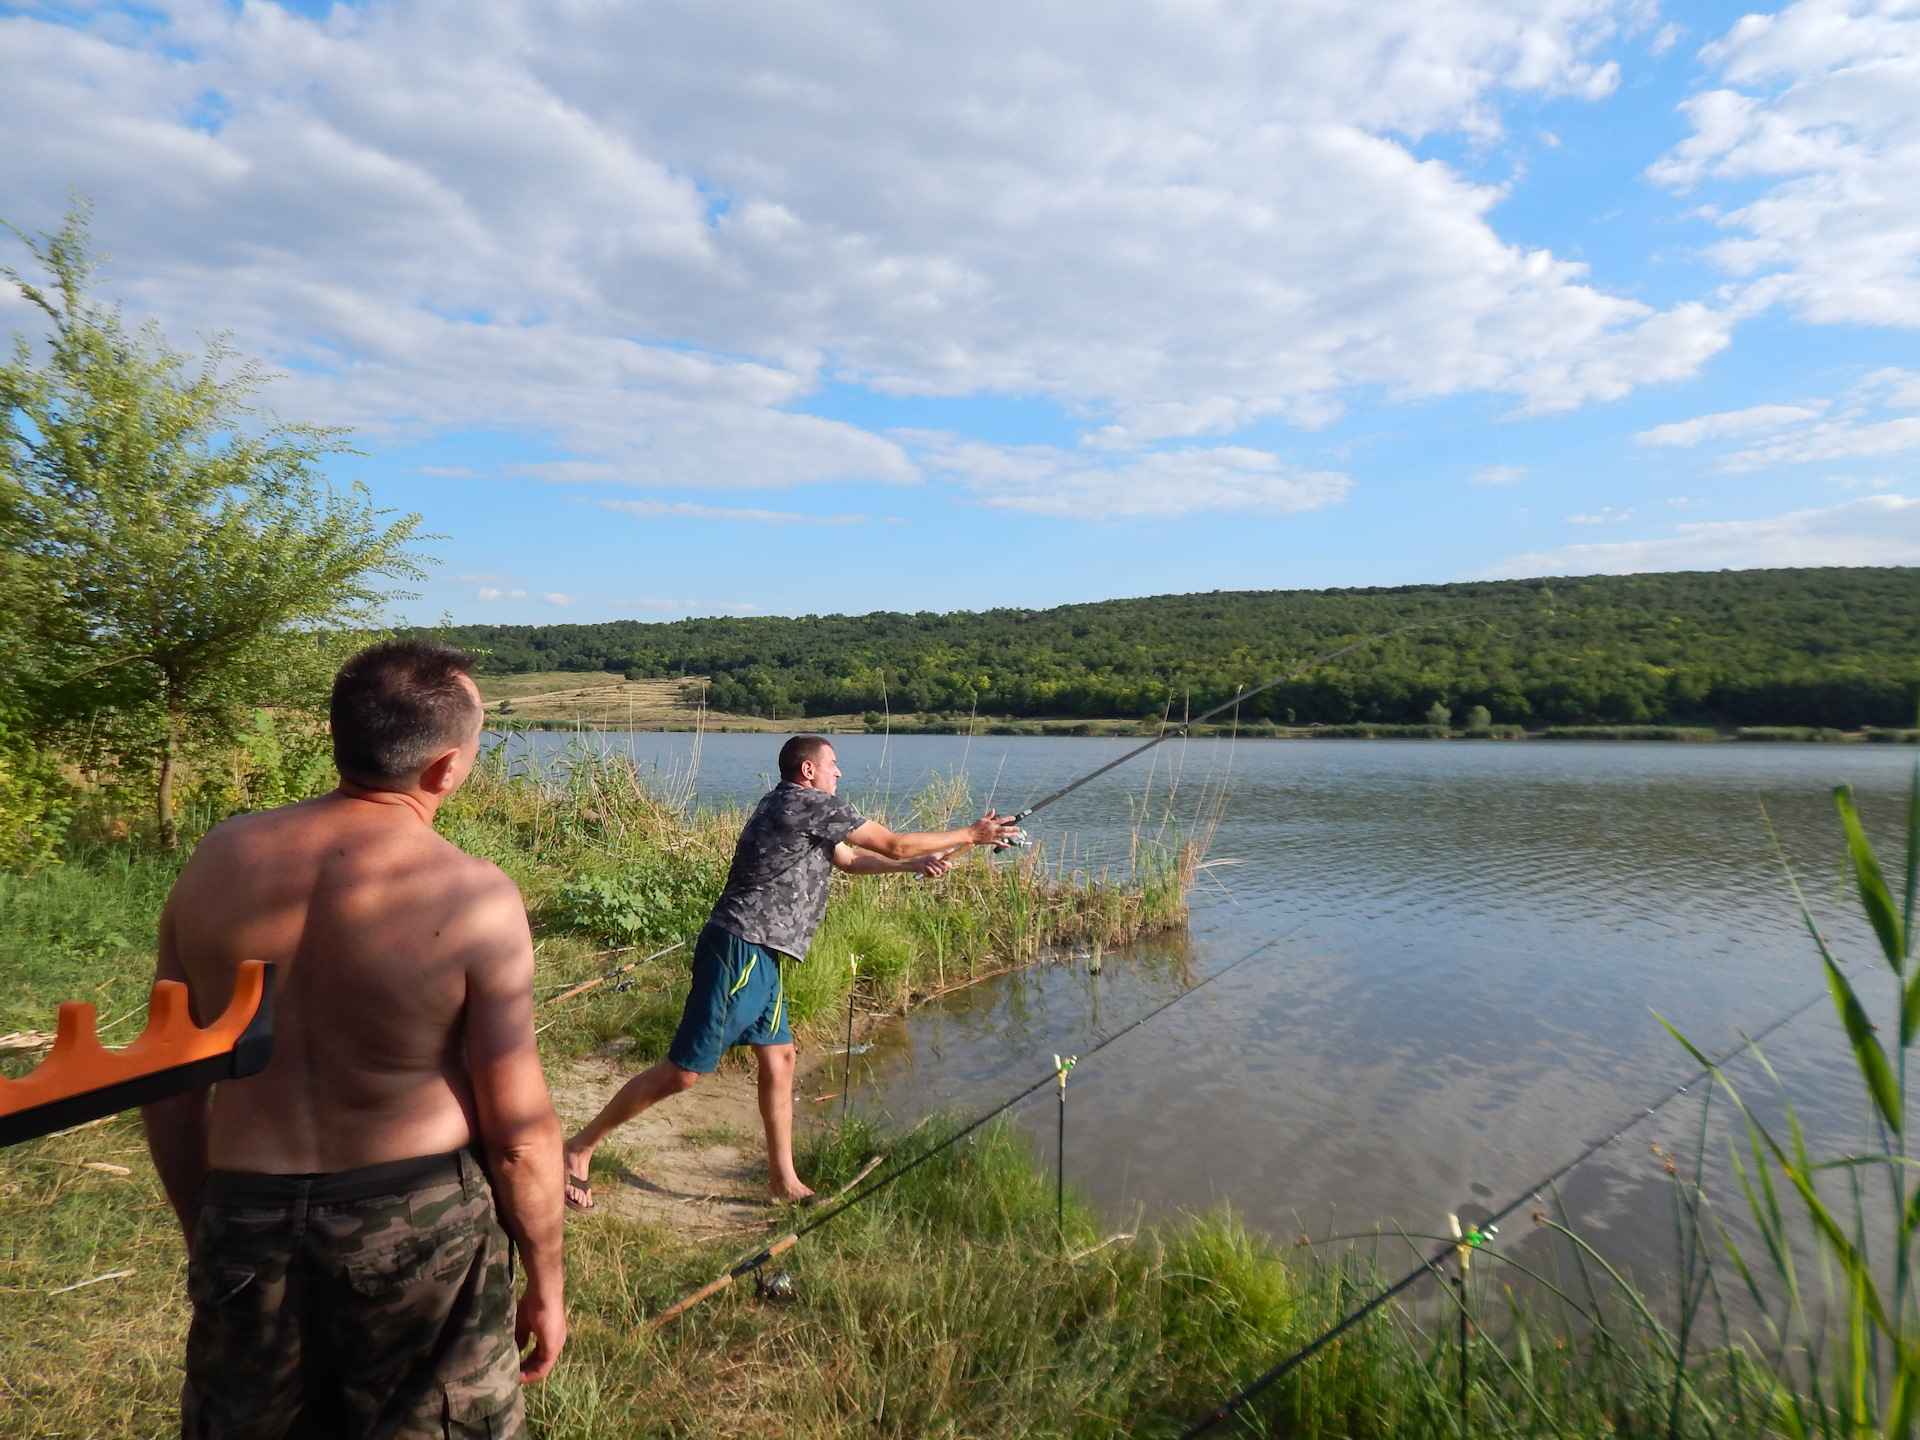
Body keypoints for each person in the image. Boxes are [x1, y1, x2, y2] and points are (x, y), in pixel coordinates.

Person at [142, 639, 566, 1440]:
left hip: (246, 1206)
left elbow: (169, 1078)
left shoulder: (217, 860)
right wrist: (547, 1276)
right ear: (446, 767)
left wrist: (209, 1225)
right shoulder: (474, 896)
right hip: (415, 1222)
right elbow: (517, 1134)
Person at [563, 734, 1020, 1208]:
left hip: (765, 952)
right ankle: (579, 1148)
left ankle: (782, 1179)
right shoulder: (805, 802)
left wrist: (914, 866)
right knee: (683, 1073)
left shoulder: (794, 807)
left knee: (780, 1060)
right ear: (808, 771)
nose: (838, 773)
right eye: (833, 765)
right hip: (740, 947)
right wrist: (969, 835)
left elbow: (848, 859)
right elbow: (894, 842)